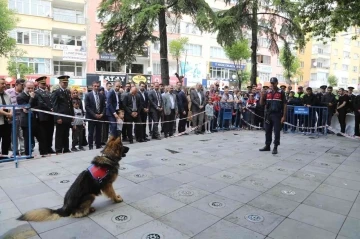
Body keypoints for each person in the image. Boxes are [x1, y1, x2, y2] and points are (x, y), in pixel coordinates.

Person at [259, 77, 287, 154]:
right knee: (267, 130)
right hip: (268, 114)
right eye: (271, 83)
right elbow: (262, 103)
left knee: (277, 131)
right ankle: (267, 145)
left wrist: (284, 116)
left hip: (277, 114)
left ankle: (275, 147)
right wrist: (262, 96)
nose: (272, 84)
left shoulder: (281, 92)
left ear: (277, 83)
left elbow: (285, 104)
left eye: (274, 83)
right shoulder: (267, 92)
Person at [51, 75, 74, 154]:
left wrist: (72, 115)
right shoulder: (56, 92)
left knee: (66, 134)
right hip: (61, 117)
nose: (65, 84)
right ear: (60, 83)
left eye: (66, 82)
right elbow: (55, 106)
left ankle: (66, 148)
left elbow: (70, 105)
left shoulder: (67, 91)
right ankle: (58, 149)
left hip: (67, 116)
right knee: (59, 134)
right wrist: (57, 117)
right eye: (64, 82)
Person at [16, 81, 38, 157]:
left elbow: (37, 106)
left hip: (34, 119)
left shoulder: (34, 95)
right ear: (24, 87)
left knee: (33, 138)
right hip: (26, 120)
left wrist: (31, 106)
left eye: (32, 88)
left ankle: (31, 149)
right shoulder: (20, 96)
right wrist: (31, 98)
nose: (30, 90)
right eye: (28, 88)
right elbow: (27, 107)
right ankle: (28, 153)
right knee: (27, 137)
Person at [35, 76, 55, 155]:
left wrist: (53, 108)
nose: (44, 85)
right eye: (42, 84)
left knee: (50, 132)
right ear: (39, 84)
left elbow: (52, 101)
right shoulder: (37, 92)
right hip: (43, 116)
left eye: (44, 83)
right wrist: (50, 109)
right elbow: (41, 103)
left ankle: (49, 147)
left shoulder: (48, 92)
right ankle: (43, 150)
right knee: (43, 134)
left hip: (50, 116)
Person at [5, 79, 25, 155]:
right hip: (13, 116)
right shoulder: (8, 92)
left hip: (22, 115)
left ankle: (23, 151)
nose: (23, 87)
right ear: (16, 84)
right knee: (14, 135)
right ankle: (15, 151)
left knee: (22, 134)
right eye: (21, 85)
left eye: (24, 85)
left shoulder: (24, 93)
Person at [85, 81, 106, 149]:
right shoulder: (88, 95)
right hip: (92, 117)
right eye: (95, 86)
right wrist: (94, 115)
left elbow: (104, 106)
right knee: (91, 132)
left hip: (100, 117)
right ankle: (90, 146)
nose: (96, 87)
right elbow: (87, 107)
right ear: (92, 86)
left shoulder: (101, 95)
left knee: (99, 132)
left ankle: (98, 145)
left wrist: (102, 113)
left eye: (97, 86)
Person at [0, 78, 13, 159]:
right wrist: (8, 113)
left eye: (4, 83)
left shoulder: (7, 95)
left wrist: (10, 114)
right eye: (2, 84)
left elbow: (11, 106)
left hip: (7, 121)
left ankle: (4, 155)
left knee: (7, 139)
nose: (4, 85)